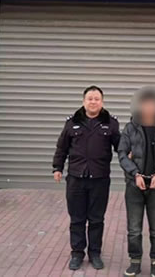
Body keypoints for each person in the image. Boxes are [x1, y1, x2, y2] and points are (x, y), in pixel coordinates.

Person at [52, 85, 120, 271]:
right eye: (90, 99)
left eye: (97, 99)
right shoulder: (72, 122)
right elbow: (62, 147)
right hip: (76, 178)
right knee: (77, 218)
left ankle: (95, 253)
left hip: (100, 178)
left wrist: (133, 156)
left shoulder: (111, 123)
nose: (93, 102)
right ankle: (77, 253)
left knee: (97, 219)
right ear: (84, 101)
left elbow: (121, 147)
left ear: (102, 102)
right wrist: (57, 167)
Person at [118, 87, 155, 277]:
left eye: (153, 104)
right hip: (134, 185)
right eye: (146, 104)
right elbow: (122, 154)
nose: (149, 107)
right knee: (134, 228)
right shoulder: (130, 127)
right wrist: (135, 174)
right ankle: (134, 261)